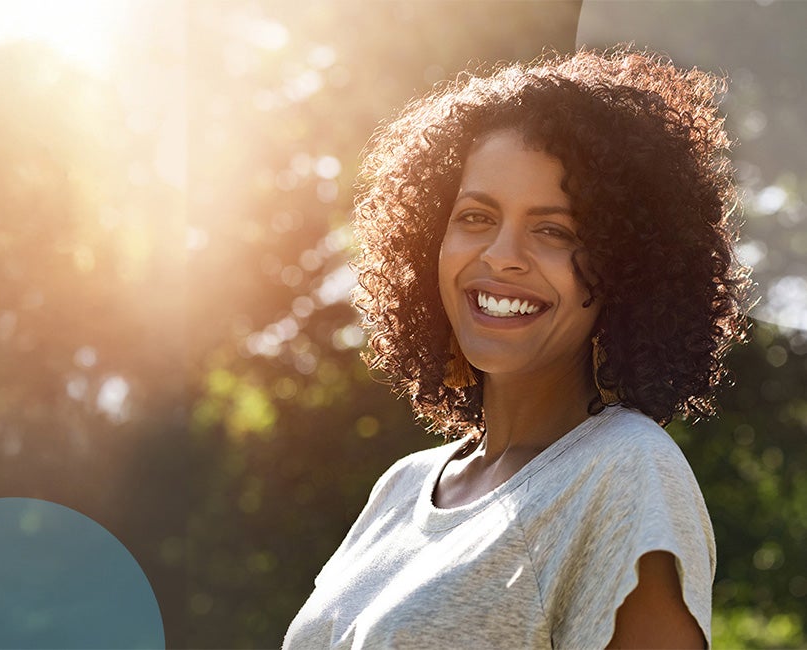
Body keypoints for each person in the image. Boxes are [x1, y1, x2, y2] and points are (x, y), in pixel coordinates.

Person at [284, 46, 752, 649]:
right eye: (476, 217)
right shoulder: (403, 487)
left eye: (553, 230)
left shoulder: (626, 471)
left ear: (626, 267)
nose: (502, 254)